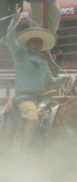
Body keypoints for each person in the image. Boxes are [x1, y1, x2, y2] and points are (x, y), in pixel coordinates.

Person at [7, 5, 69, 136]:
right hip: (23, 98)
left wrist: (64, 79)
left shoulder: (44, 63)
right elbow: (10, 40)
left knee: (60, 114)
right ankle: (25, 151)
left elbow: (51, 81)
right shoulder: (20, 55)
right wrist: (14, 20)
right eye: (34, 42)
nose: (37, 44)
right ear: (28, 44)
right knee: (32, 119)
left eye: (39, 42)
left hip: (40, 98)